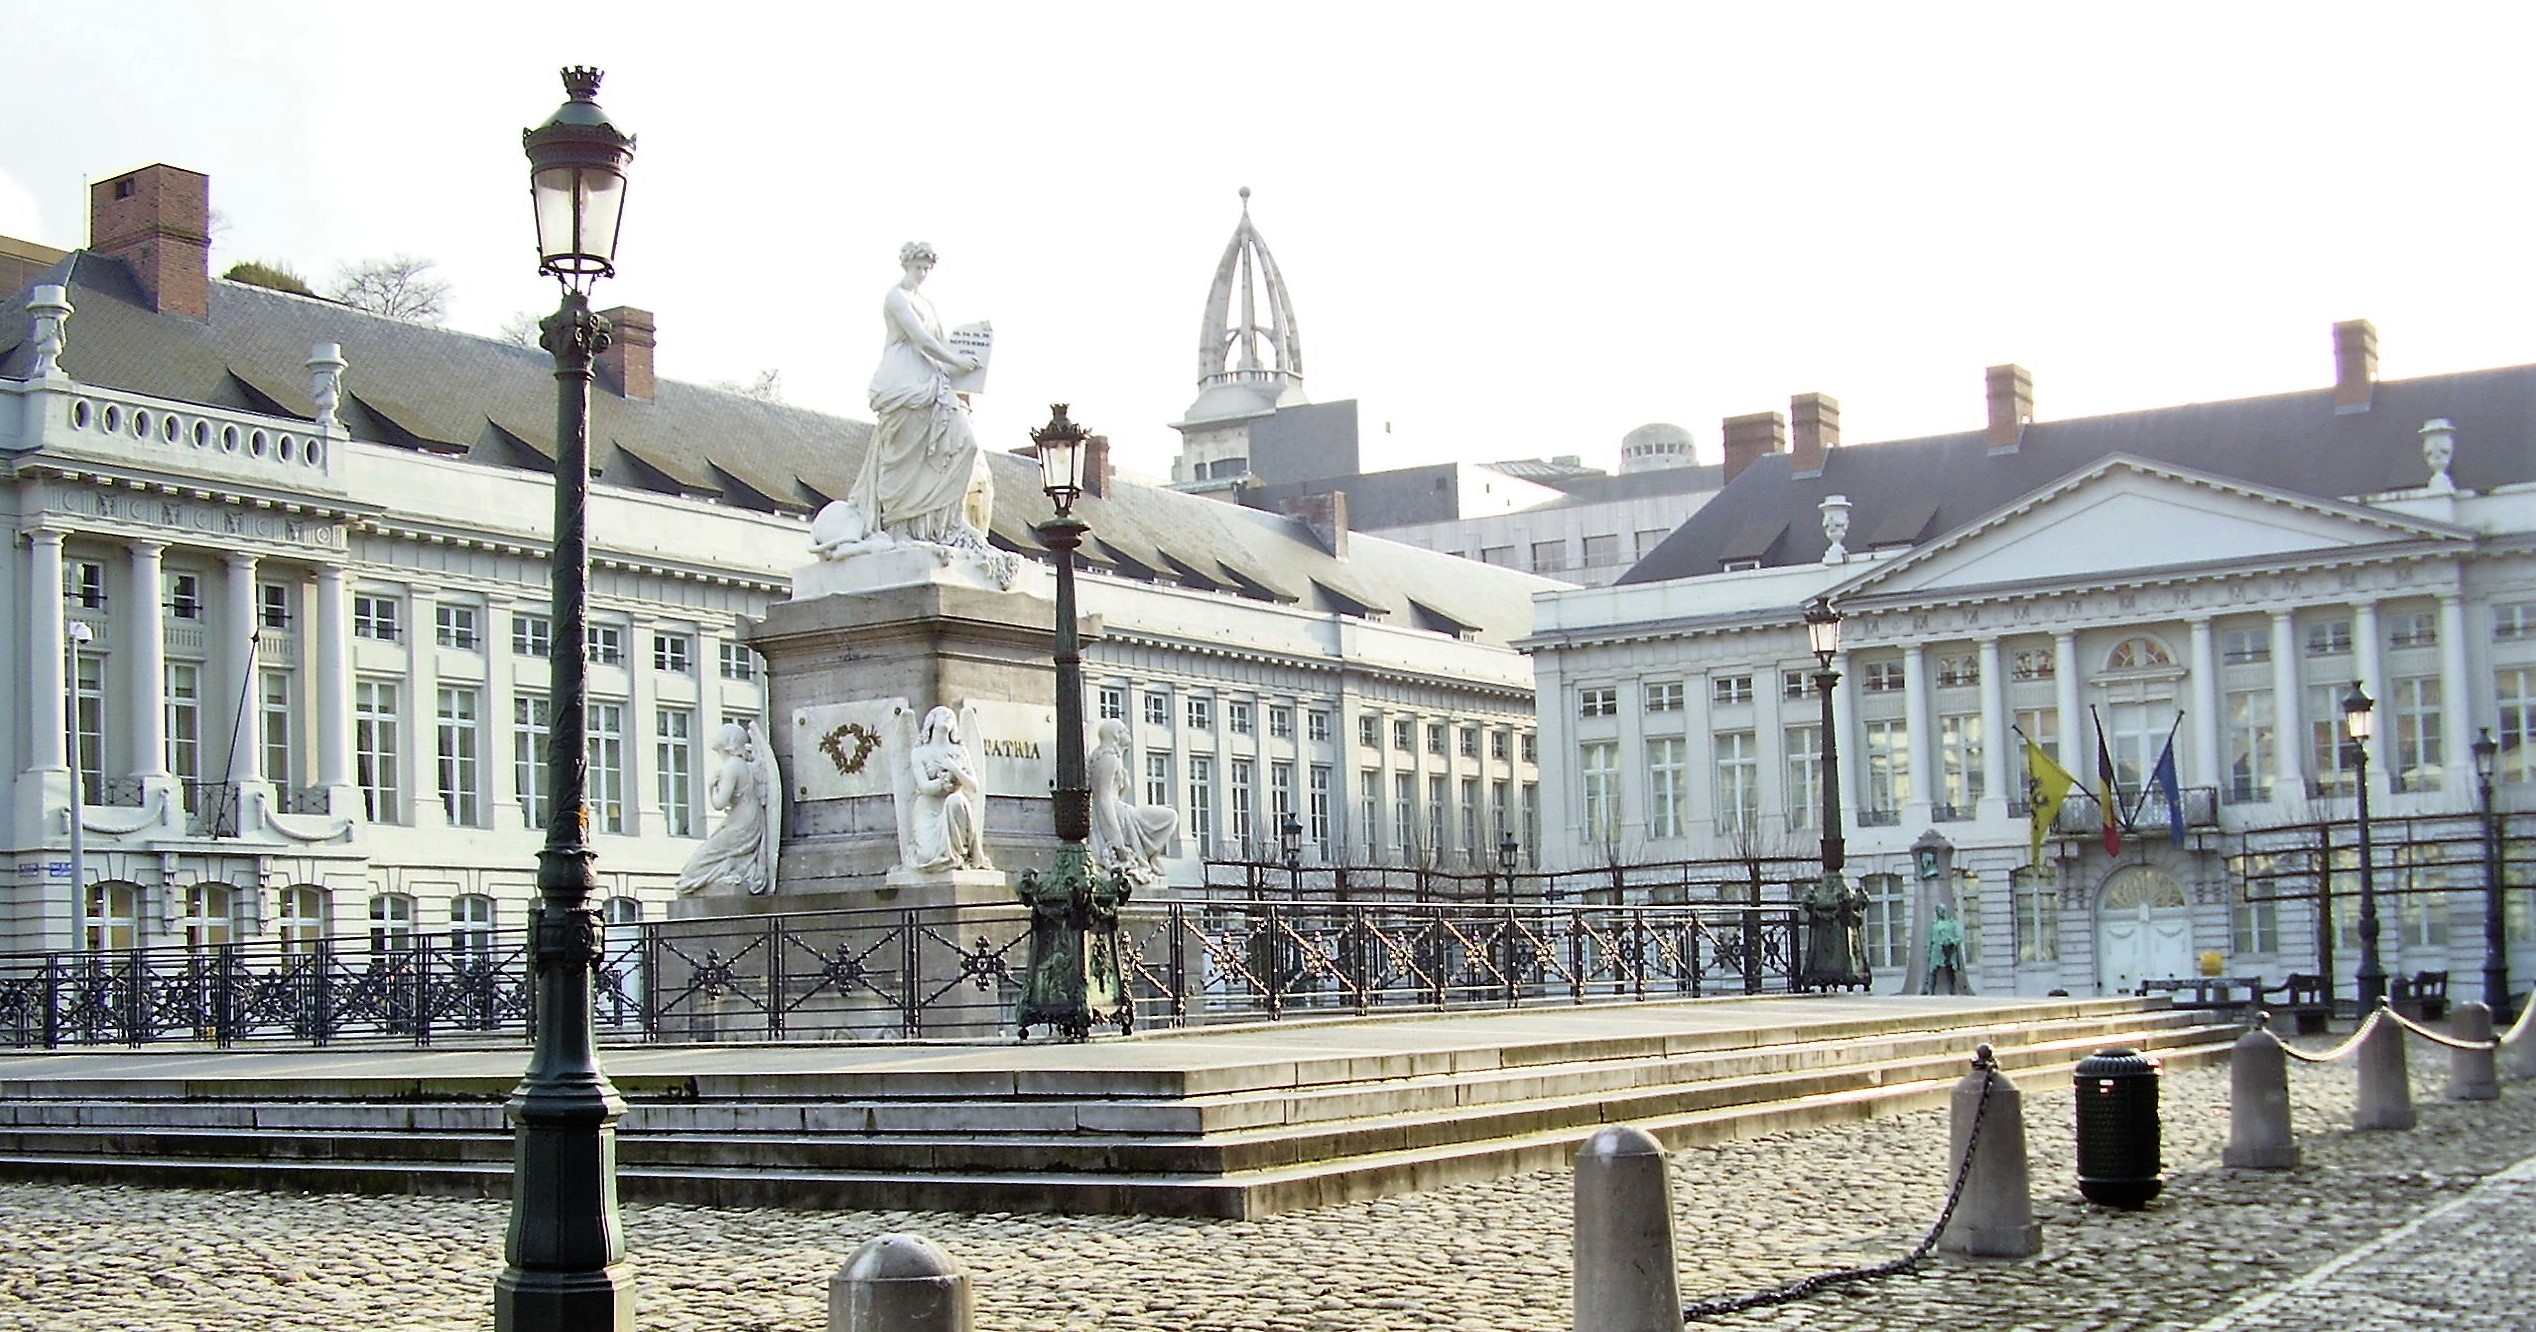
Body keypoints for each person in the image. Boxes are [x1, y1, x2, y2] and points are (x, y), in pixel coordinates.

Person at [848, 242, 993, 547]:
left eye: (927, 267)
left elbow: (941, 342)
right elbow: (922, 340)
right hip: (902, 379)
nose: (923, 273)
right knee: (903, 455)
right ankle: (900, 522)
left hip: (931, 379)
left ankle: (946, 523)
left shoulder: (926, 302)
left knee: (964, 443)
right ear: (906, 265)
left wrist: (975, 338)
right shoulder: (895, 297)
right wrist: (958, 361)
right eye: (918, 267)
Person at [675, 721, 780, 896]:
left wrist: (711, 787)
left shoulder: (732, 765)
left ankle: (724, 873)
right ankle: (729, 868)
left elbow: (719, 803)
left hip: (741, 825)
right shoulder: (746, 765)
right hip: (749, 820)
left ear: (727, 740)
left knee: (690, 873)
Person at [1089, 718, 1178, 883]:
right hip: (1117, 814)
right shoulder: (1109, 759)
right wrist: (1115, 834)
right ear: (1115, 736)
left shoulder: (1110, 757)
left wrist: (1125, 786)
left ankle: (1150, 859)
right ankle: (1150, 859)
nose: (1127, 732)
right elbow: (1103, 798)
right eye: (1123, 731)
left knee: (1168, 815)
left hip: (1120, 810)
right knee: (1170, 816)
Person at [906, 705, 990, 871]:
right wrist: (943, 782)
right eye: (942, 714)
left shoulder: (960, 751)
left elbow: (973, 787)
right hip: (928, 808)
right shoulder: (920, 752)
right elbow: (924, 786)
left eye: (950, 716)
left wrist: (954, 769)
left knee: (955, 800)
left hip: (953, 805)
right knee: (928, 856)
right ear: (932, 721)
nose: (947, 717)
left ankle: (958, 856)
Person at [1927, 901, 1966, 995]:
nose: (1939, 912)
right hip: (1936, 950)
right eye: (1938, 911)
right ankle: (1930, 990)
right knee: (1932, 970)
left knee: (1951, 970)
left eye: (1941, 910)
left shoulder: (1952, 923)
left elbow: (1959, 936)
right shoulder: (1934, 925)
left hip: (1948, 949)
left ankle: (1953, 990)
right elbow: (1929, 938)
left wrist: (1952, 941)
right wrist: (1928, 949)